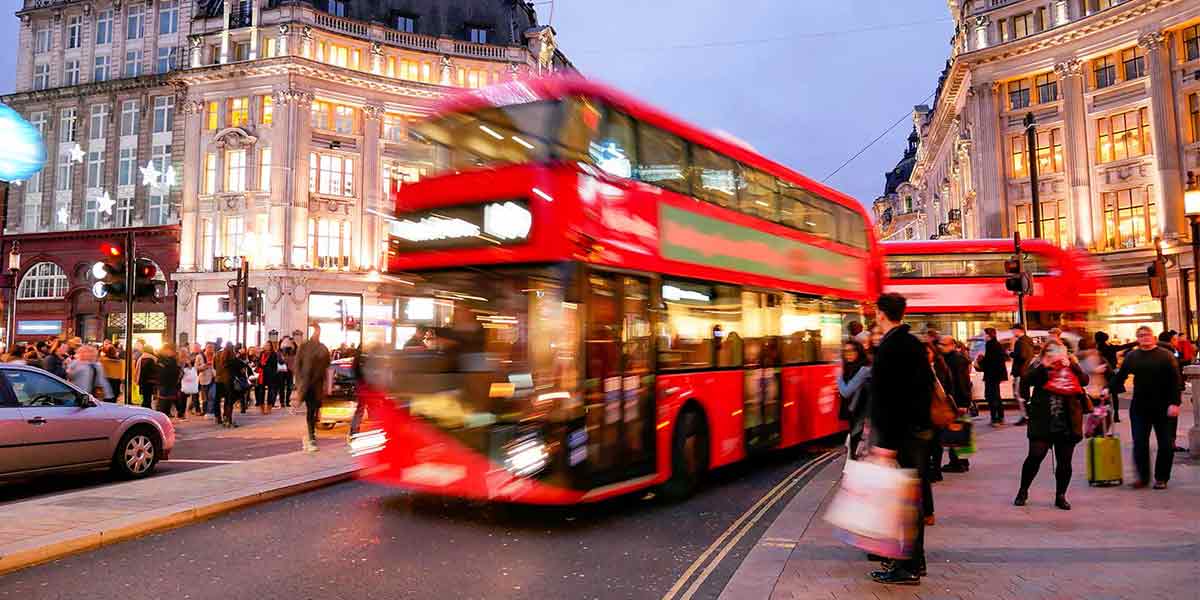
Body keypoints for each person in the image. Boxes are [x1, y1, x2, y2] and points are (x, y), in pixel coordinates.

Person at [866, 293, 934, 586]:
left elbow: (887, 400)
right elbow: (925, 388)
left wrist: (886, 444)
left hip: (900, 437)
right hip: (918, 433)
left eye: (876, 313)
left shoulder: (890, 347)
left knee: (902, 502)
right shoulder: (913, 344)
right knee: (911, 500)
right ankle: (914, 561)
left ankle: (906, 567)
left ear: (881, 314)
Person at [1015, 340, 1089, 510]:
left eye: (1060, 350)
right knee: (1035, 456)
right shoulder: (1038, 364)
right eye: (1052, 351)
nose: (1056, 354)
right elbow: (1026, 380)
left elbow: (1084, 381)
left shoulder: (1071, 364)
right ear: (1045, 352)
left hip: (1067, 420)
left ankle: (1060, 495)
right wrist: (1044, 366)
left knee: (1065, 462)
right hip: (1043, 420)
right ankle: (1023, 490)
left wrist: (1073, 365)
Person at [1109, 325, 1182, 489]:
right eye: (1141, 335)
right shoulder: (1132, 356)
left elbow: (1176, 381)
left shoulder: (1166, 356)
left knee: (1165, 444)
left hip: (1164, 407)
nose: (1145, 338)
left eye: (1147, 335)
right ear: (1138, 338)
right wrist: (1108, 389)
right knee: (1140, 443)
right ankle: (1142, 478)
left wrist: (1175, 403)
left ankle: (1161, 478)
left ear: (1153, 337)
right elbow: (1120, 376)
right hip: (1140, 407)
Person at [295, 323, 331, 453]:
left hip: (317, 384)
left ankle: (311, 435)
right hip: (308, 384)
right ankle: (311, 436)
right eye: (315, 330)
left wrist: (327, 385)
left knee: (315, 409)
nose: (316, 333)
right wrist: (299, 383)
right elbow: (297, 365)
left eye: (318, 331)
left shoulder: (323, 348)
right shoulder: (304, 347)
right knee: (311, 410)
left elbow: (327, 368)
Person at [939, 335, 972, 472]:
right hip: (958, 400)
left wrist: (963, 403)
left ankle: (957, 463)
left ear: (952, 344)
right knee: (960, 432)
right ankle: (962, 461)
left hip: (957, 401)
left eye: (943, 344)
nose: (940, 346)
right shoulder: (954, 359)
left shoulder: (955, 360)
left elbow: (962, 383)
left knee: (955, 431)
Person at [837, 339, 870, 460]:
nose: (848, 354)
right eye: (845, 351)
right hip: (856, 415)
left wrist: (838, 376)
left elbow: (846, 392)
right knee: (856, 447)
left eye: (852, 350)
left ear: (859, 351)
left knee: (858, 447)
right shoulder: (850, 369)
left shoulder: (864, 370)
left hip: (863, 416)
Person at [978, 327, 1008, 426]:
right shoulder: (996, 344)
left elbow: (991, 361)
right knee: (996, 396)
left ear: (989, 335)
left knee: (992, 397)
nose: (983, 337)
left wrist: (981, 360)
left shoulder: (991, 345)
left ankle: (995, 419)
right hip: (995, 375)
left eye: (984, 334)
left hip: (992, 375)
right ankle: (1000, 417)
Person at [1010, 324, 1036, 426]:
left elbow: (1022, 356)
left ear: (1018, 330)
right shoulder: (1028, 340)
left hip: (1021, 372)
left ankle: (1026, 416)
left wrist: (1011, 354)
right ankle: (1027, 416)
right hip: (1026, 371)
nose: (1012, 333)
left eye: (1013, 330)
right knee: (1024, 394)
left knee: (1020, 394)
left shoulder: (1020, 342)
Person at [156, 344, 184, 419]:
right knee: (163, 401)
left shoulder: (173, 359)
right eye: (171, 350)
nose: (173, 352)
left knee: (169, 400)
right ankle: (161, 416)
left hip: (172, 383)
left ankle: (167, 414)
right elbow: (163, 371)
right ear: (166, 350)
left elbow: (176, 370)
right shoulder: (160, 359)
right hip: (164, 383)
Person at [258, 341, 280, 414]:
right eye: (266, 345)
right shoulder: (262, 354)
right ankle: (262, 408)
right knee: (261, 392)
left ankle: (269, 408)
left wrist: (273, 374)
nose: (267, 346)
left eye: (268, 345)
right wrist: (259, 364)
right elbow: (259, 363)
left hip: (270, 375)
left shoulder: (274, 354)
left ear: (271, 346)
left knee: (270, 392)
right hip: (262, 375)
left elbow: (275, 366)